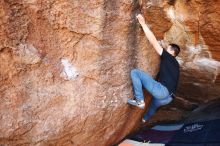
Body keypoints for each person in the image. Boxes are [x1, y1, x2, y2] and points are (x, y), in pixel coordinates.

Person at [127, 14, 180, 123]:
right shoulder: (176, 65)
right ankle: (144, 120)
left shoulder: (168, 56)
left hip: (163, 92)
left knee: (135, 72)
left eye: (167, 48)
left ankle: (139, 101)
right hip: (168, 98)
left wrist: (142, 23)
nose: (165, 48)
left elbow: (154, 42)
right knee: (153, 106)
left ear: (172, 52)